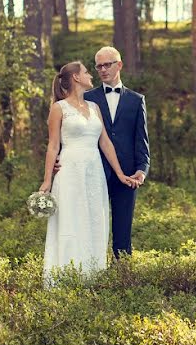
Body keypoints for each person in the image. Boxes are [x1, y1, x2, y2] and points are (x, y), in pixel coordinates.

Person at [39, 61, 137, 283]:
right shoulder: (59, 108)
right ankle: (64, 276)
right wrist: (47, 180)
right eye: (85, 72)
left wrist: (120, 174)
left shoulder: (94, 108)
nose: (90, 75)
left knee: (94, 219)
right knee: (71, 220)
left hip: (94, 172)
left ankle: (91, 276)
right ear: (75, 77)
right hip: (70, 170)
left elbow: (106, 143)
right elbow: (53, 145)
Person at [57, 46, 149, 258]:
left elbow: (141, 141)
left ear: (119, 65)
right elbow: (70, 130)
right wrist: (60, 160)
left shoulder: (136, 100)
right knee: (89, 226)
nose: (102, 70)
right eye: (98, 66)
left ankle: (123, 277)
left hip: (126, 174)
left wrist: (141, 170)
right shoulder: (86, 97)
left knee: (123, 231)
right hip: (91, 172)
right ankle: (86, 272)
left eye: (107, 65)